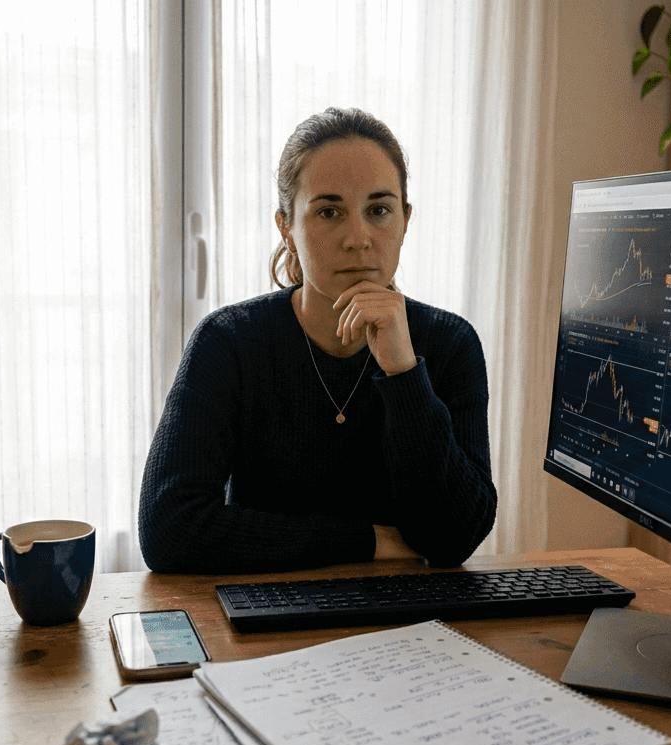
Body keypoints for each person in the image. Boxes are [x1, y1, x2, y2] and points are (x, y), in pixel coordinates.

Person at [138, 107, 496, 574]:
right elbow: (170, 530)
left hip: (406, 627)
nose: (358, 238)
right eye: (329, 212)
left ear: (405, 221)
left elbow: (455, 538)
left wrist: (404, 374)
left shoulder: (449, 344)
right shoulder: (228, 343)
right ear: (286, 227)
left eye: (379, 210)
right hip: (265, 624)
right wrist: (364, 540)